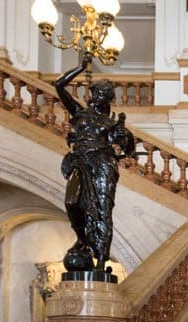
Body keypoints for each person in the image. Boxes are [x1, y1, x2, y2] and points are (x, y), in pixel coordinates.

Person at [55, 52, 135, 273]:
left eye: (103, 93)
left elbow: (126, 147)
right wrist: (81, 68)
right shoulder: (80, 114)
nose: (98, 95)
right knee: (72, 201)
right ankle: (82, 239)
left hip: (102, 163)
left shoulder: (110, 123)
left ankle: (101, 259)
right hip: (79, 161)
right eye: (96, 92)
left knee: (102, 208)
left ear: (109, 98)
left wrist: (121, 135)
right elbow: (59, 85)